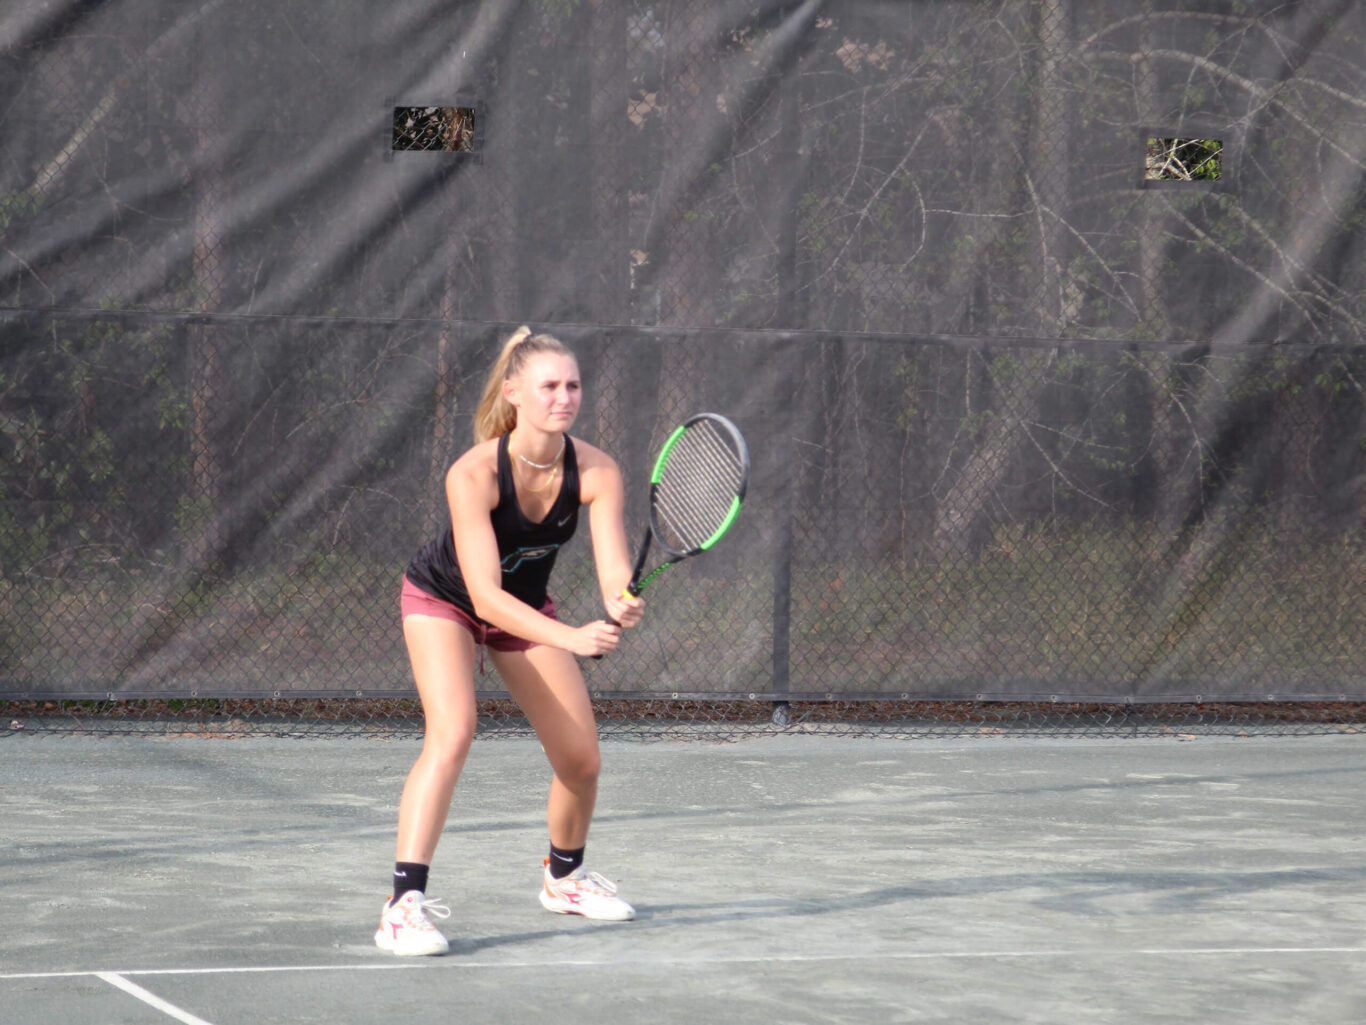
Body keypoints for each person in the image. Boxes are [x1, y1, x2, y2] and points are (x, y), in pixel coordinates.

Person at [375, 325, 645, 957]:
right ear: (514, 392)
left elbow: (613, 569)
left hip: (524, 611)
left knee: (581, 760)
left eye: (573, 385)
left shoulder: (598, 469)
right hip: (446, 601)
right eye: (549, 385)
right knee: (454, 730)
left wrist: (618, 600)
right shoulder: (473, 473)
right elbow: (486, 595)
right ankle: (402, 906)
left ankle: (564, 878)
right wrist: (575, 637)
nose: (564, 396)